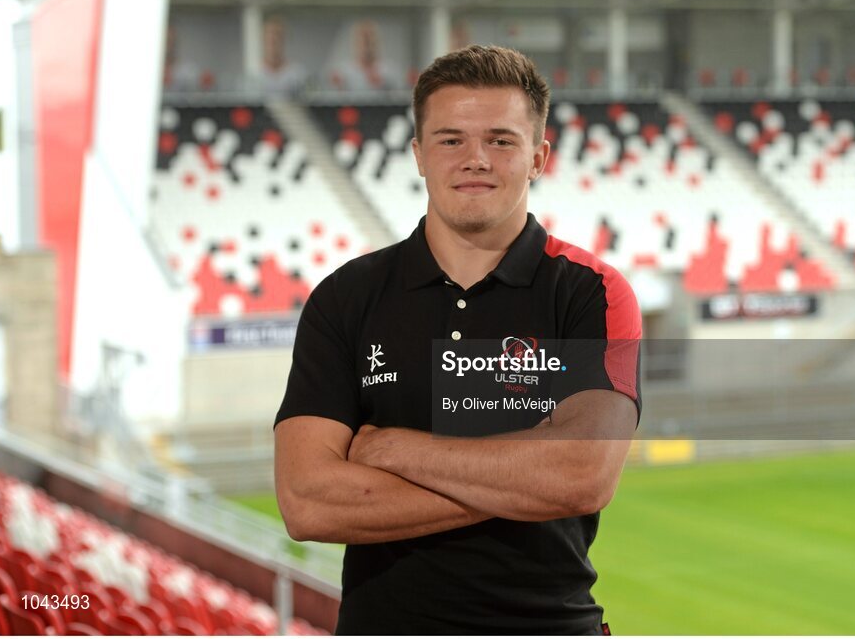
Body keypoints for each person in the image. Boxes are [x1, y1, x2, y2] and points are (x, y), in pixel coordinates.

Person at [274, 45, 642, 634]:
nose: (475, 159)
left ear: (538, 158)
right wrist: (524, 481)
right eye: (450, 140)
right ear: (419, 155)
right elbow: (308, 502)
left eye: (501, 140)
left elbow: (583, 476)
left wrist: (390, 449)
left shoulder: (593, 293)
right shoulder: (345, 297)